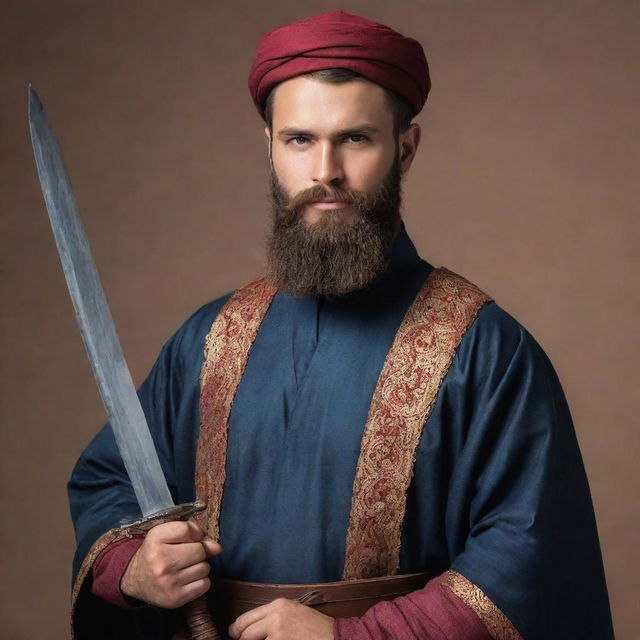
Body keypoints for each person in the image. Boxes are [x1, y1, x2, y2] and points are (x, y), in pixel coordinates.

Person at [68, 10, 614, 640]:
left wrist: (348, 637)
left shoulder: (486, 351)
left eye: (355, 138)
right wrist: (132, 569)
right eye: (299, 139)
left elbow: (529, 558)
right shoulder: (209, 339)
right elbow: (109, 478)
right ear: (269, 146)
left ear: (404, 148)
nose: (324, 170)